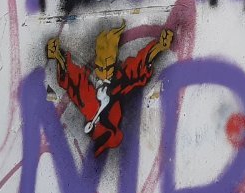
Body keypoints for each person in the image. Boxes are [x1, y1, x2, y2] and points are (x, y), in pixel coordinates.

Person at [46, 24, 174, 157]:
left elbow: (138, 66)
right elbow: (72, 77)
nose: (105, 72)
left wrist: (159, 47)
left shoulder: (118, 82)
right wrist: (58, 56)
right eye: (100, 67)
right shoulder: (89, 86)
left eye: (109, 67)